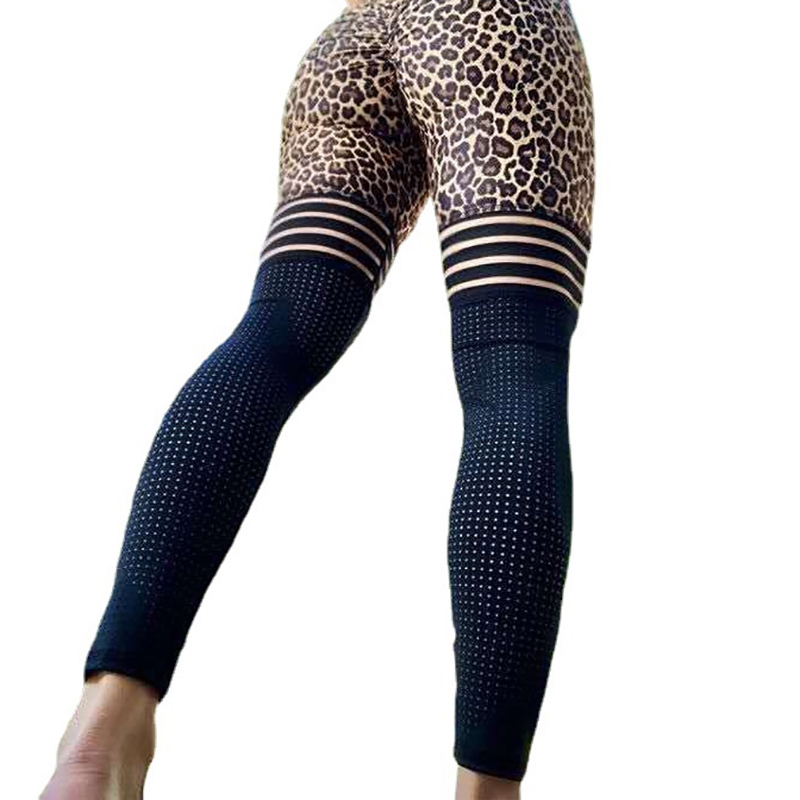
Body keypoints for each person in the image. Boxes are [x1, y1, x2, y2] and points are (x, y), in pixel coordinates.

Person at [40, 0, 594, 797]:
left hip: (348, 47)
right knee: (511, 365)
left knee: (275, 336)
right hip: (491, 28)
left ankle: (102, 732)